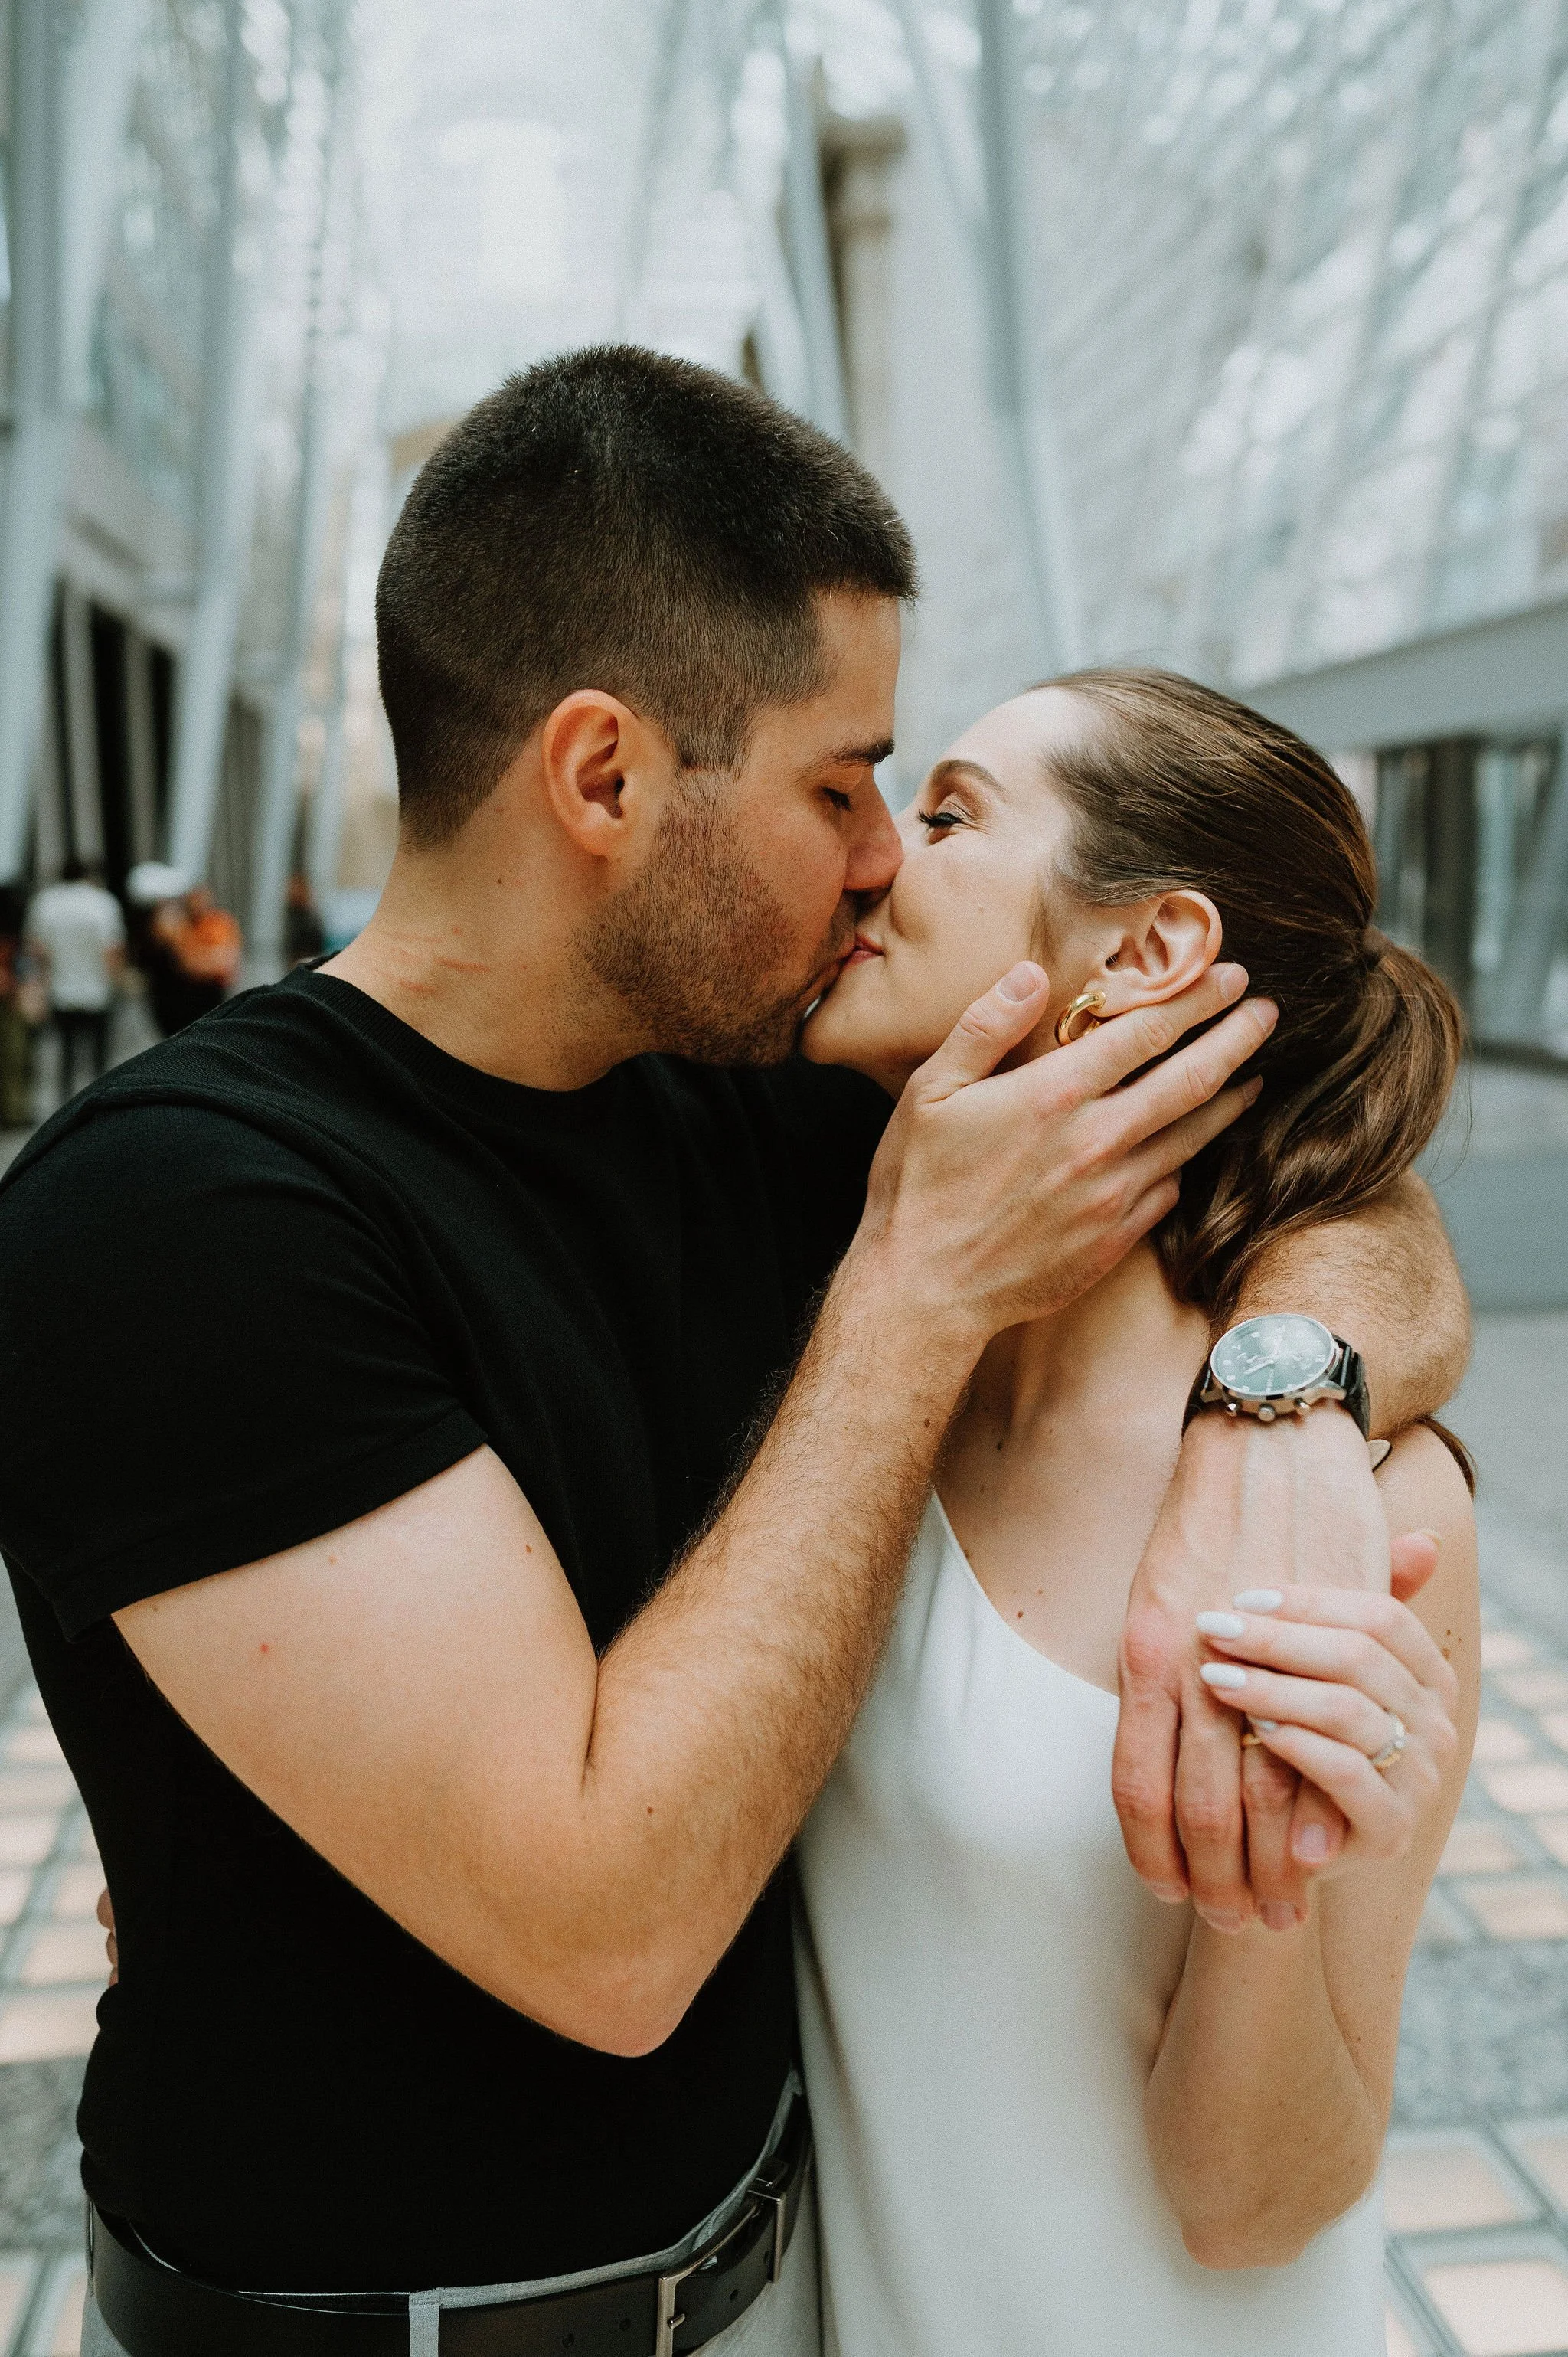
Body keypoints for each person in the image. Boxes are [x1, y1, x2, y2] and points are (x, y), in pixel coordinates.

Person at [0, 351, 1465, 2357]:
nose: (875, 852)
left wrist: (1288, 1387)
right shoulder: (174, 1219)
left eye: (913, 795)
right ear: (601, 779)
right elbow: (604, 1935)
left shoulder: (774, 1098)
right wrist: (914, 1290)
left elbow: (1335, 1171)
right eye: (841, 781)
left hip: (799, 2288)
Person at [793, 672, 1478, 2354]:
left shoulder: (1345, 1509)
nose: (878, 855)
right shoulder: (835, 1350)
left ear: (1152, 953)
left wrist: (1276, 1877)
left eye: (949, 812)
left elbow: (1255, 2200)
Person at [24, 856, 125, 1098]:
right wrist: (118, 983)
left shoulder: (46, 903)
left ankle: (67, 1101)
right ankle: (102, 1098)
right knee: (99, 1056)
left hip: (61, 990)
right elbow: (112, 951)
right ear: (88, 875)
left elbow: (36, 949)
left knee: (67, 1054)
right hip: (97, 990)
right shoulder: (103, 903)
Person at [145, 881, 242, 1033]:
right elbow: (184, 962)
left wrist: (195, 958)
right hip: (182, 998)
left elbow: (223, 965)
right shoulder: (180, 924)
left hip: (210, 994)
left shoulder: (218, 924)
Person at [0, 884, 39, 1127]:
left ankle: (15, 1109)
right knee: (15, 1058)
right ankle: (14, 1110)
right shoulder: (13, 940)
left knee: (15, 1058)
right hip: (13, 1002)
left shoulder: (13, 940)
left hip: (13, 1001)